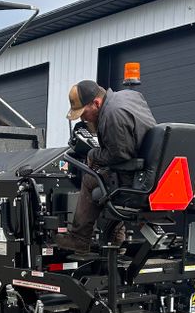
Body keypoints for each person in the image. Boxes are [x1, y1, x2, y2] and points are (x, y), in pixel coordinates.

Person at [54, 79, 156, 253]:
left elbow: (119, 155)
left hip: (134, 176)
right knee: (108, 179)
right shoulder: (129, 96)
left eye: (83, 113)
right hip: (148, 171)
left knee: (91, 179)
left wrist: (93, 154)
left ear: (96, 102)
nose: (83, 118)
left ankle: (79, 238)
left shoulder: (112, 114)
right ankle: (115, 238)